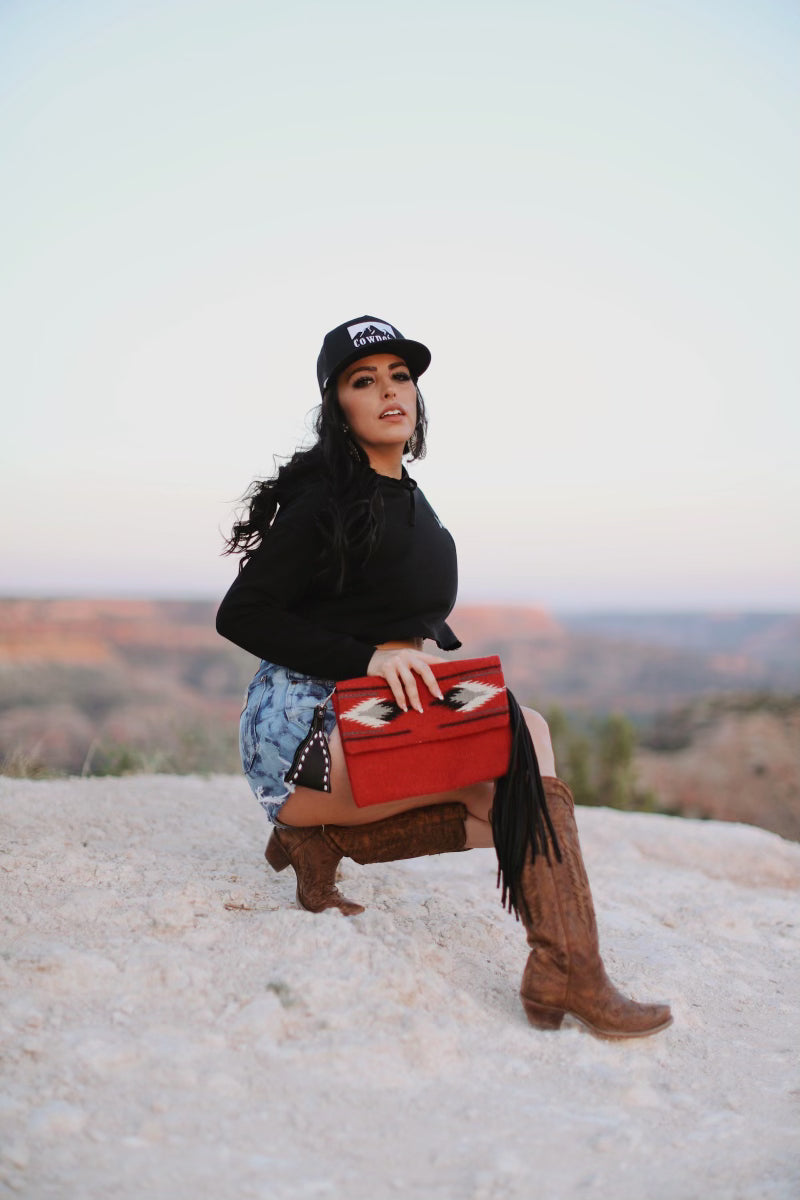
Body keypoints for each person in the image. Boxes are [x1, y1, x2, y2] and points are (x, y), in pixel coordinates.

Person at [216, 314, 672, 1039]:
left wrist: (414, 655)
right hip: (306, 727)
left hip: (369, 713)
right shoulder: (329, 497)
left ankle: (327, 846)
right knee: (517, 739)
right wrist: (369, 658)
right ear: (339, 407)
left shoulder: (407, 495)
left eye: (401, 376)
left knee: (511, 792)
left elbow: (386, 611)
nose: (390, 391)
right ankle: (570, 970)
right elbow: (240, 614)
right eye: (365, 381)